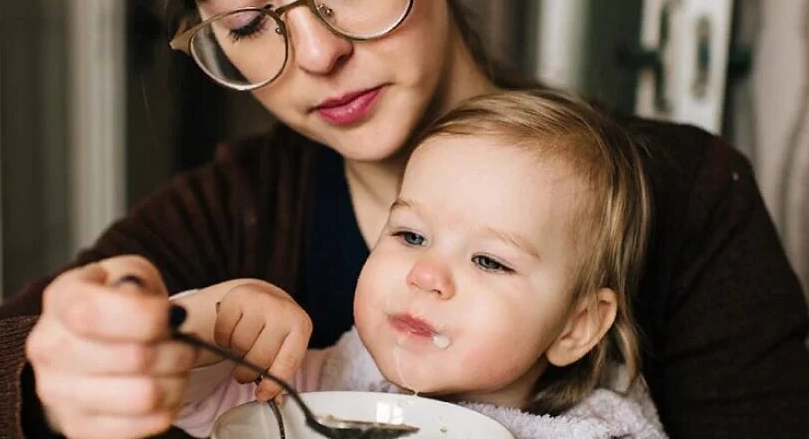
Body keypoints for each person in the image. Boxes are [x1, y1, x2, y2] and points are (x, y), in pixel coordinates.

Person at [0, 0, 809, 438]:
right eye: (244, 20)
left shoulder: (683, 195)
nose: (312, 52)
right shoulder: (228, 210)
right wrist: (54, 384)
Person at [170, 91, 667, 438]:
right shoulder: (336, 383)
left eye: (489, 261)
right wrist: (215, 322)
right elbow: (187, 399)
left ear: (576, 327)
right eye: (411, 235)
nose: (425, 274)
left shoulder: (602, 432)